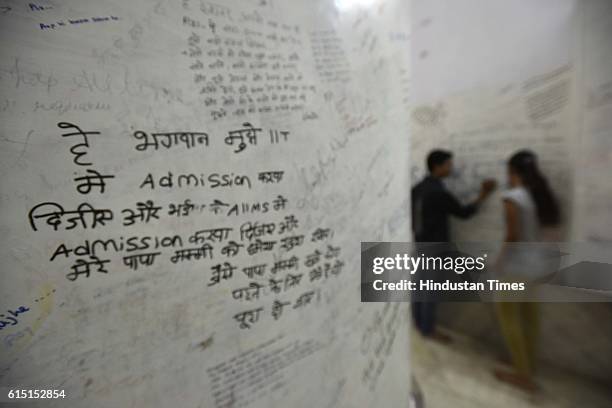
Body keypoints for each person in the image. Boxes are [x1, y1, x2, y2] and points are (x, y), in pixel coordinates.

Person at [411, 149, 496, 341]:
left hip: (420, 245)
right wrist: (483, 194)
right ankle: (428, 330)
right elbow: (464, 213)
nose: (451, 168)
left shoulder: (417, 188)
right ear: (437, 166)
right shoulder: (438, 192)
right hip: (435, 248)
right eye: (448, 164)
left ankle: (418, 323)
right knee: (430, 290)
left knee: (419, 288)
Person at [493, 150, 561, 392]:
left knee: (508, 316)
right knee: (530, 317)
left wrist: (499, 262)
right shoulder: (538, 195)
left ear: (512, 171)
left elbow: (512, 235)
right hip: (536, 265)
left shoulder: (512, 197)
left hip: (516, 267)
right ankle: (527, 365)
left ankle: (522, 376)